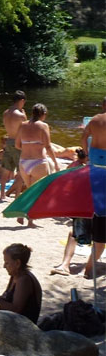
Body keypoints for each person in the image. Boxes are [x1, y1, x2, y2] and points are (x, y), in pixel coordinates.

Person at [82, 96, 106, 276]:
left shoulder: (94, 119)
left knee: (96, 191)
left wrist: (87, 154)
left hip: (95, 157)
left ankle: (95, 211)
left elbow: (84, 137)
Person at [0, 91, 27, 201]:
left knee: (6, 170)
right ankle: (17, 197)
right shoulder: (20, 115)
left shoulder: (5, 112)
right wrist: (24, 114)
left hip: (8, 141)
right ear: (21, 101)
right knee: (20, 171)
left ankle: (1, 195)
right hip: (18, 143)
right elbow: (26, 127)